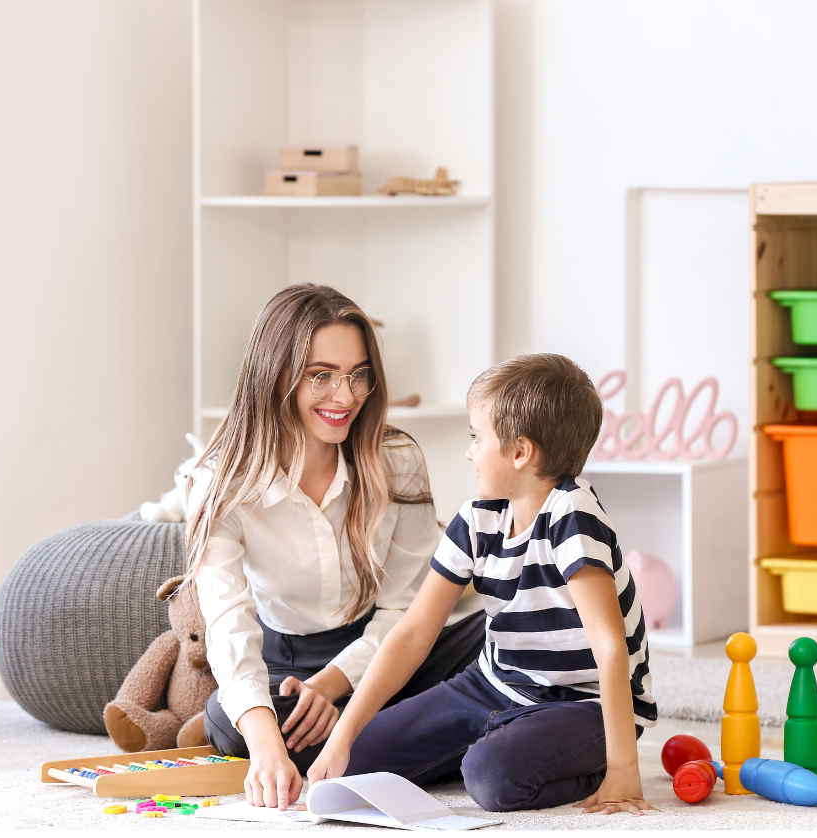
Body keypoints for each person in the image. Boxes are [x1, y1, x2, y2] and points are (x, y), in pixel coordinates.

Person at [309, 353, 657, 815]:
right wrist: (342, 737)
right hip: (492, 685)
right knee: (354, 764)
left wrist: (624, 771)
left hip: (583, 702)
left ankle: (550, 758)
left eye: (477, 437)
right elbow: (413, 634)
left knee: (493, 782)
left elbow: (610, 649)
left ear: (520, 452)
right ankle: (494, 745)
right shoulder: (476, 519)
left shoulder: (573, 516)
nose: (469, 451)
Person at [184, 284, 485, 808]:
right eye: (320, 375)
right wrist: (265, 748)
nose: (344, 397)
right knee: (231, 724)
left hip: (393, 651)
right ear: (274, 374)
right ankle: (439, 739)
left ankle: (378, 741)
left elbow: (406, 610)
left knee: (502, 635)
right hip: (288, 665)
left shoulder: (396, 459)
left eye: (358, 374)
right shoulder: (220, 481)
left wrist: (336, 682)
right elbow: (228, 622)